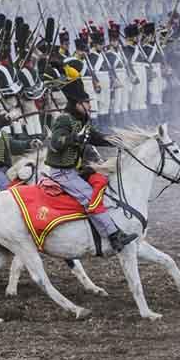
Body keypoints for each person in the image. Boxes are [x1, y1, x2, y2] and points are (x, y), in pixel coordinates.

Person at [45, 70, 137, 253]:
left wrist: (117, 141)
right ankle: (114, 236)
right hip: (62, 172)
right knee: (90, 197)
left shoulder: (81, 121)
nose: (89, 105)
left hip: (74, 170)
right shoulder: (64, 120)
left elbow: (95, 137)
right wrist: (74, 138)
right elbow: (56, 143)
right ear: (77, 104)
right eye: (86, 102)